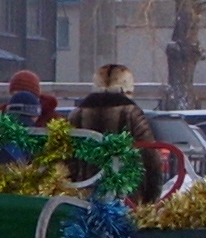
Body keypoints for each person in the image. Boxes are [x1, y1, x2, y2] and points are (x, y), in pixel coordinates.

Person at [74, 63, 182, 200]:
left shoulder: (77, 114)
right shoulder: (131, 113)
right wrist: (151, 194)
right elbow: (149, 155)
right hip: (125, 196)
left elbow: (67, 158)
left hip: (83, 195)